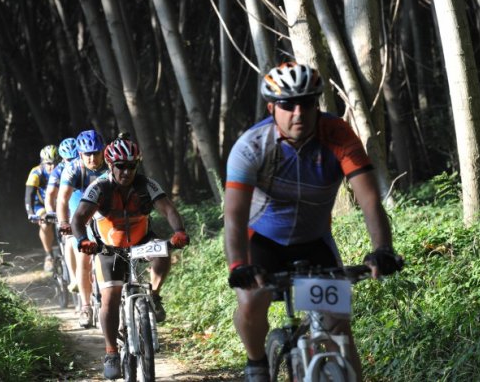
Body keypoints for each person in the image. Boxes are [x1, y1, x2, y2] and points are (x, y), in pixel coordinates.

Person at [223, 62, 403, 382]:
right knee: (251, 302)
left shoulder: (337, 134)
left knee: (337, 329)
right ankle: (256, 362)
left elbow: (369, 200)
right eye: (287, 105)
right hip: (262, 240)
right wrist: (239, 266)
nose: (298, 113)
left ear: (316, 104)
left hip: (314, 241)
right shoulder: (251, 146)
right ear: (271, 108)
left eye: (307, 103)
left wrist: (382, 249)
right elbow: (235, 215)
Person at [71, 134, 190, 380]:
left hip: (141, 241)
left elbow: (168, 208)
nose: (126, 172)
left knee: (163, 253)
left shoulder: (147, 185)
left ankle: (154, 296)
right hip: (108, 248)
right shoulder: (99, 187)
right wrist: (82, 239)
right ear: (111, 165)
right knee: (110, 297)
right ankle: (111, 352)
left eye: (132, 166)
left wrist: (179, 231)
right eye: (121, 166)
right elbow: (79, 217)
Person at [56, 129, 108, 327]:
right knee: (84, 259)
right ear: (80, 154)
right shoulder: (73, 168)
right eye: (87, 154)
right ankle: (86, 306)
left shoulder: (111, 164)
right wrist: (63, 222)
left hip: (105, 213)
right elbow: (62, 199)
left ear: (103, 150)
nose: (92, 158)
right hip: (80, 212)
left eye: (96, 153)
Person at [45, 137, 80, 288]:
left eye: (75, 158)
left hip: (83, 207)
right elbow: (50, 194)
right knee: (70, 238)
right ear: (63, 159)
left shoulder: (85, 166)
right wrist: (50, 212)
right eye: (68, 159)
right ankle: (74, 279)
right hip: (66, 210)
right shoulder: (58, 170)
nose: (72, 162)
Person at [25, 145, 60, 273]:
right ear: (42, 163)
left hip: (60, 203)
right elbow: (29, 195)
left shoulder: (65, 170)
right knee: (45, 224)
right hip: (40, 204)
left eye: (55, 163)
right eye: (49, 164)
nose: (52, 167)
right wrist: (30, 213)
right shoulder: (36, 173)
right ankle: (49, 255)